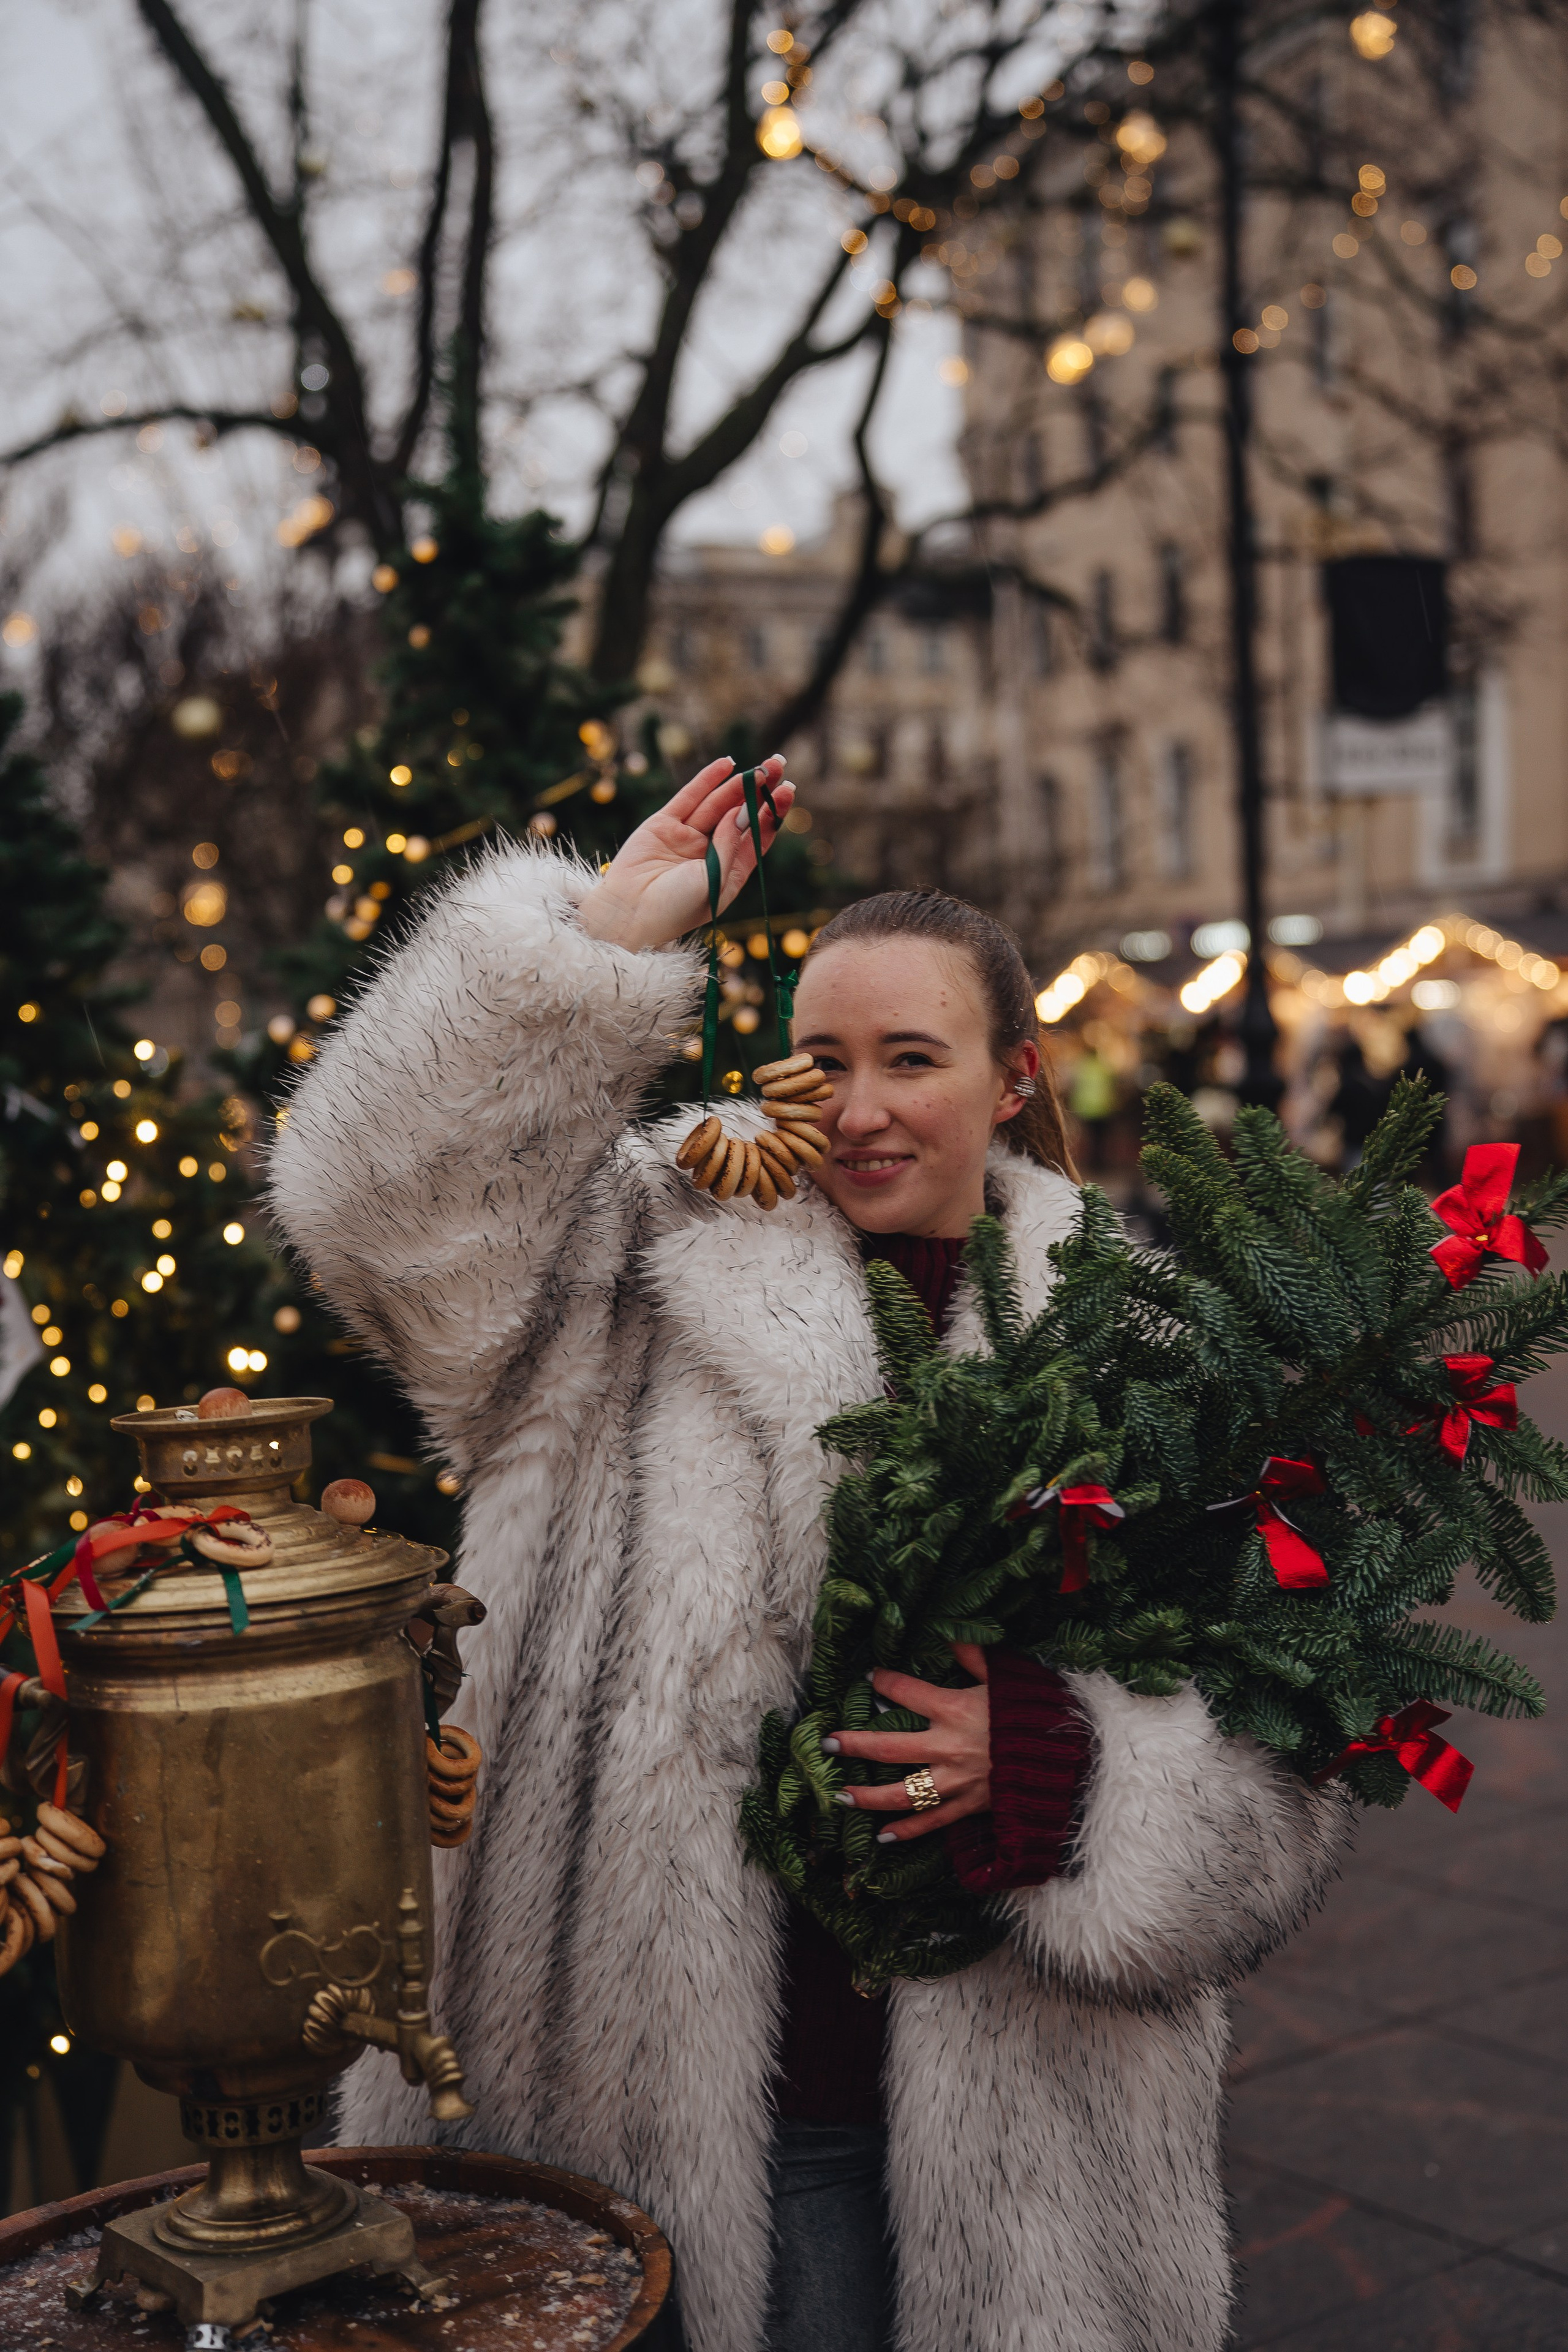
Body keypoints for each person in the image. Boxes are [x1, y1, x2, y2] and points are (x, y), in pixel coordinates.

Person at [271, 756, 1348, 2352]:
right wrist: (592, 953)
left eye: (911, 1058)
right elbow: (374, 1213)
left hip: (1007, 2159)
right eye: (822, 1058)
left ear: (1010, 1078)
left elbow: (1279, 1791)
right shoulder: (622, 1269)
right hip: (601, 2120)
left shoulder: (1148, 1354)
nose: (853, 1107)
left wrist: (1070, 1781)